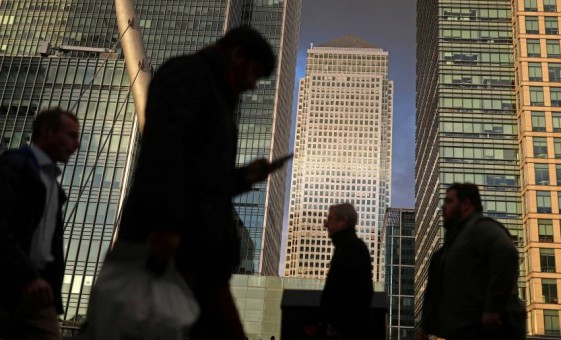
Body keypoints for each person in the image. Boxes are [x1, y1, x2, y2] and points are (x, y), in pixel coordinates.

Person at [115, 26, 289, 340]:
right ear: (236, 55)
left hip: (198, 249)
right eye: (254, 74)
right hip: (179, 245)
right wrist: (166, 227)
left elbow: (203, 178)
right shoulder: (188, 76)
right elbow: (165, 151)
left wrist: (245, 177)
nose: (252, 86)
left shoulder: (215, 94)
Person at [0, 108, 80, 339]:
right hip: (11, 282)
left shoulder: (53, 185)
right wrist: (27, 276)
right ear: (46, 131)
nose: (76, 145)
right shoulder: (13, 167)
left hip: (38, 292)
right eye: (71, 135)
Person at [420, 183, 525, 340]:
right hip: (462, 332)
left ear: (466, 205)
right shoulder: (449, 247)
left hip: (487, 332)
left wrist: (492, 309)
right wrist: (426, 326)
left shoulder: (481, 229)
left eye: (449, 201)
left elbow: (506, 253)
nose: (444, 207)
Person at [320, 203, 374, 339]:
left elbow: (354, 296)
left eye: (330, 219)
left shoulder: (352, 248)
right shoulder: (348, 247)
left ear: (343, 221)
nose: (325, 224)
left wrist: (336, 326)